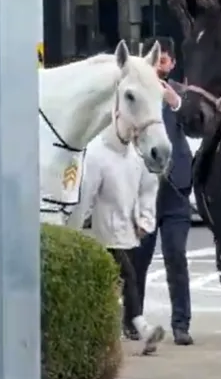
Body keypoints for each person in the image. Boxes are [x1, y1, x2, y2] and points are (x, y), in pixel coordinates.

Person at [66, 122, 165, 356]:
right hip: (107, 234)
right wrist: (73, 229)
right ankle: (142, 327)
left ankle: (111, 331)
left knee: (120, 284)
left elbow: (148, 187)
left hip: (130, 232)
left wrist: (145, 219)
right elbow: (86, 194)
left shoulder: (135, 154)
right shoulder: (97, 154)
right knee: (128, 277)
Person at [133, 37, 194, 346]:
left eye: (165, 61)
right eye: (155, 60)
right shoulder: (135, 94)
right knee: (138, 257)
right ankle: (133, 319)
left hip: (176, 189)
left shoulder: (181, 94)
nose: (160, 65)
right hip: (144, 188)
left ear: (173, 64)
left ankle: (181, 324)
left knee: (176, 256)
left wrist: (176, 104)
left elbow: (198, 125)